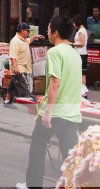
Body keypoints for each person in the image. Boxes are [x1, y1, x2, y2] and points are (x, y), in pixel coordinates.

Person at [16, 16, 82, 189]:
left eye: (48, 28)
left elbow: (55, 83)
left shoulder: (54, 52)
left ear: (56, 32)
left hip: (55, 113)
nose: (47, 32)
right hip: (72, 113)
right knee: (70, 155)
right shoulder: (75, 55)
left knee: (37, 149)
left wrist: (47, 113)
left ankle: (33, 185)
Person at [5, 22, 44, 109]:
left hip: (23, 67)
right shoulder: (15, 41)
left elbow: (29, 40)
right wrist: (15, 68)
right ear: (22, 31)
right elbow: (13, 56)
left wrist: (36, 36)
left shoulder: (23, 39)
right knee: (24, 85)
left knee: (14, 84)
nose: (29, 33)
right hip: (19, 67)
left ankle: (7, 101)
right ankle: (32, 101)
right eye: (28, 31)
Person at [72, 14, 88, 98]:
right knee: (80, 73)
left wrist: (72, 44)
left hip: (81, 54)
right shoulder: (81, 30)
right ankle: (81, 91)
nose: (73, 25)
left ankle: (83, 93)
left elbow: (81, 43)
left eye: (74, 23)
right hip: (80, 54)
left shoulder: (82, 31)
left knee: (82, 74)